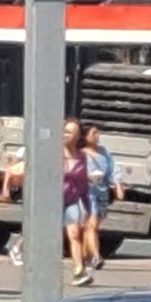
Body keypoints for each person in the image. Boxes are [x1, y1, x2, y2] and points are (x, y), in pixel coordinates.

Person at [82, 124, 124, 270]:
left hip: (102, 192)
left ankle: (87, 257)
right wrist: (86, 177)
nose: (96, 136)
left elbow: (113, 169)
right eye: (93, 133)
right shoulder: (81, 153)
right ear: (85, 136)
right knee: (91, 224)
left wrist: (118, 186)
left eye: (97, 133)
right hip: (87, 191)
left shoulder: (104, 152)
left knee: (92, 227)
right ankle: (95, 256)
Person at [63, 119, 93, 287]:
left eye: (71, 132)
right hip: (54, 198)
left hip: (73, 198)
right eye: (65, 131)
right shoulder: (55, 152)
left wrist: (87, 205)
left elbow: (83, 182)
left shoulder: (81, 156)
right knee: (41, 231)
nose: (67, 135)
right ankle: (19, 247)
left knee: (74, 234)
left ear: (78, 136)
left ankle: (79, 270)